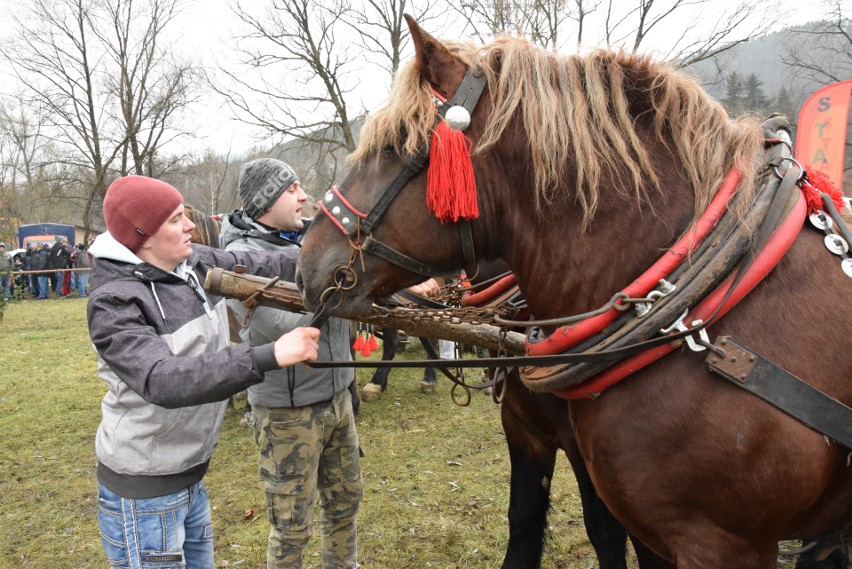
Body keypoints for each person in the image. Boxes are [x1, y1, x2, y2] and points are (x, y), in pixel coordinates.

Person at [87, 174, 322, 568]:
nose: (191, 225)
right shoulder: (114, 301)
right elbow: (162, 379)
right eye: (176, 219)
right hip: (145, 494)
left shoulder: (193, 263)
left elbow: (269, 262)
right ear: (143, 236)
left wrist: (332, 248)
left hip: (190, 476)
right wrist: (266, 355)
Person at [219, 158, 361, 569]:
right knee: (292, 527)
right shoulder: (239, 260)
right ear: (265, 200)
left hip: (338, 399)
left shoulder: (310, 239)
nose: (303, 196)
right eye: (291, 189)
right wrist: (347, 281)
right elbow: (285, 329)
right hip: (287, 414)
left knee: (345, 505)